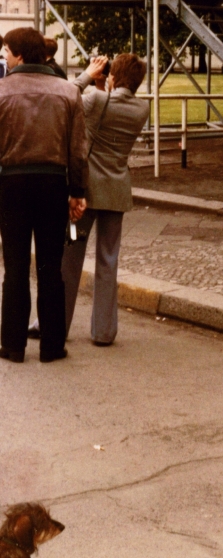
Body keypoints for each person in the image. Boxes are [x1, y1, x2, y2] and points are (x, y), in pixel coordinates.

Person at [0, 28, 88, 363]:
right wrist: (78, 192)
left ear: (20, 54)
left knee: (15, 266)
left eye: (6, 50)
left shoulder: (1, 90)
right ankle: (52, 345)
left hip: (11, 184)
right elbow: (78, 151)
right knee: (51, 267)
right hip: (54, 184)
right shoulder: (67, 91)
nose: (3, 56)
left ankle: (12, 344)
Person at [62, 53, 149, 346]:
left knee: (70, 258)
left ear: (113, 75)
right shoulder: (142, 108)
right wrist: (104, 84)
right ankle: (103, 331)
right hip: (117, 189)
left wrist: (90, 75)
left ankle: (56, 324)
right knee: (108, 260)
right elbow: (108, 110)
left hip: (85, 192)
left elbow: (64, 95)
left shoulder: (97, 100)